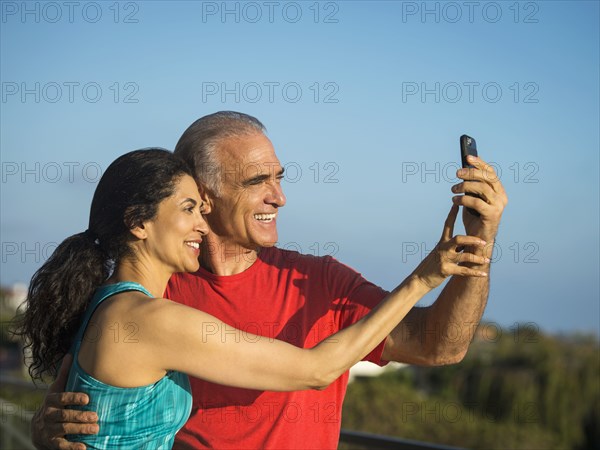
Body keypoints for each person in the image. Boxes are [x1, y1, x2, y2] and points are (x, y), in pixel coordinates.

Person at [31, 112, 507, 450]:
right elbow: (70, 405)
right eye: (258, 180)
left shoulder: (319, 282)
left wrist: (479, 244)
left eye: (280, 177)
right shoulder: (155, 296)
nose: (279, 197)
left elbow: (438, 346)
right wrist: (46, 428)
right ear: (205, 195)